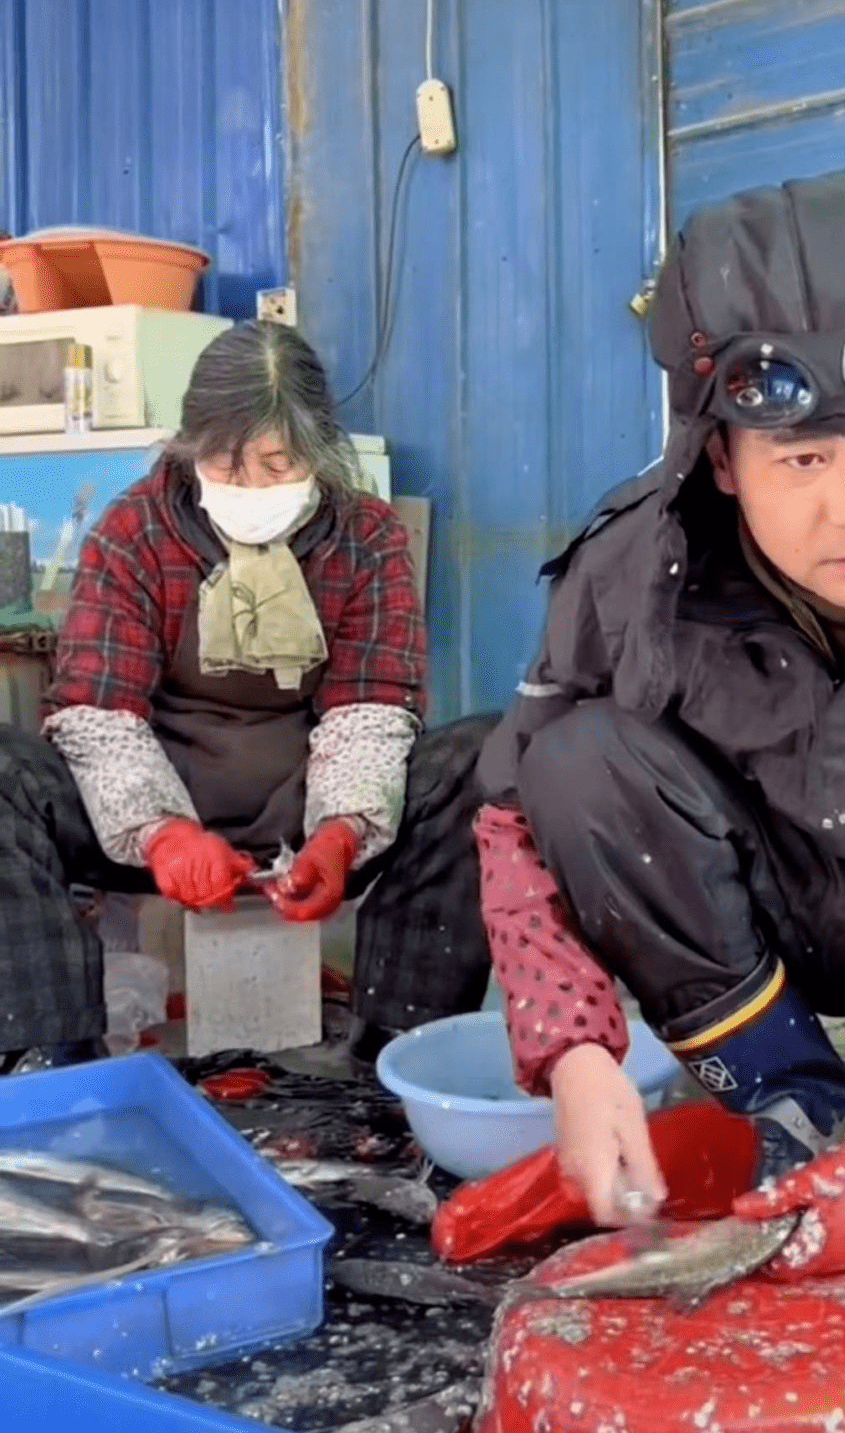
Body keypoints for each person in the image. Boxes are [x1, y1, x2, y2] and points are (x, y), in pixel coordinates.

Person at [473, 167, 845, 1286]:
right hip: (789, 906)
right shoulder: (632, 571)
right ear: (722, 459)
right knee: (575, 764)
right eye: (802, 460)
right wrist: (573, 1051)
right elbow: (513, 815)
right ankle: (786, 1096)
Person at [0, 320, 493, 1072]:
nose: (253, 488)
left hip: (309, 810)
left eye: (277, 463)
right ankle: (53, 1056)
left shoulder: (365, 537)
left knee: (486, 757)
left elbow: (369, 710)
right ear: (189, 449)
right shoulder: (135, 531)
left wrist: (341, 834)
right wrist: (163, 833)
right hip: (145, 813)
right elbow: (99, 714)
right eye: (227, 465)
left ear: (318, 453)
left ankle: (400, 1049)